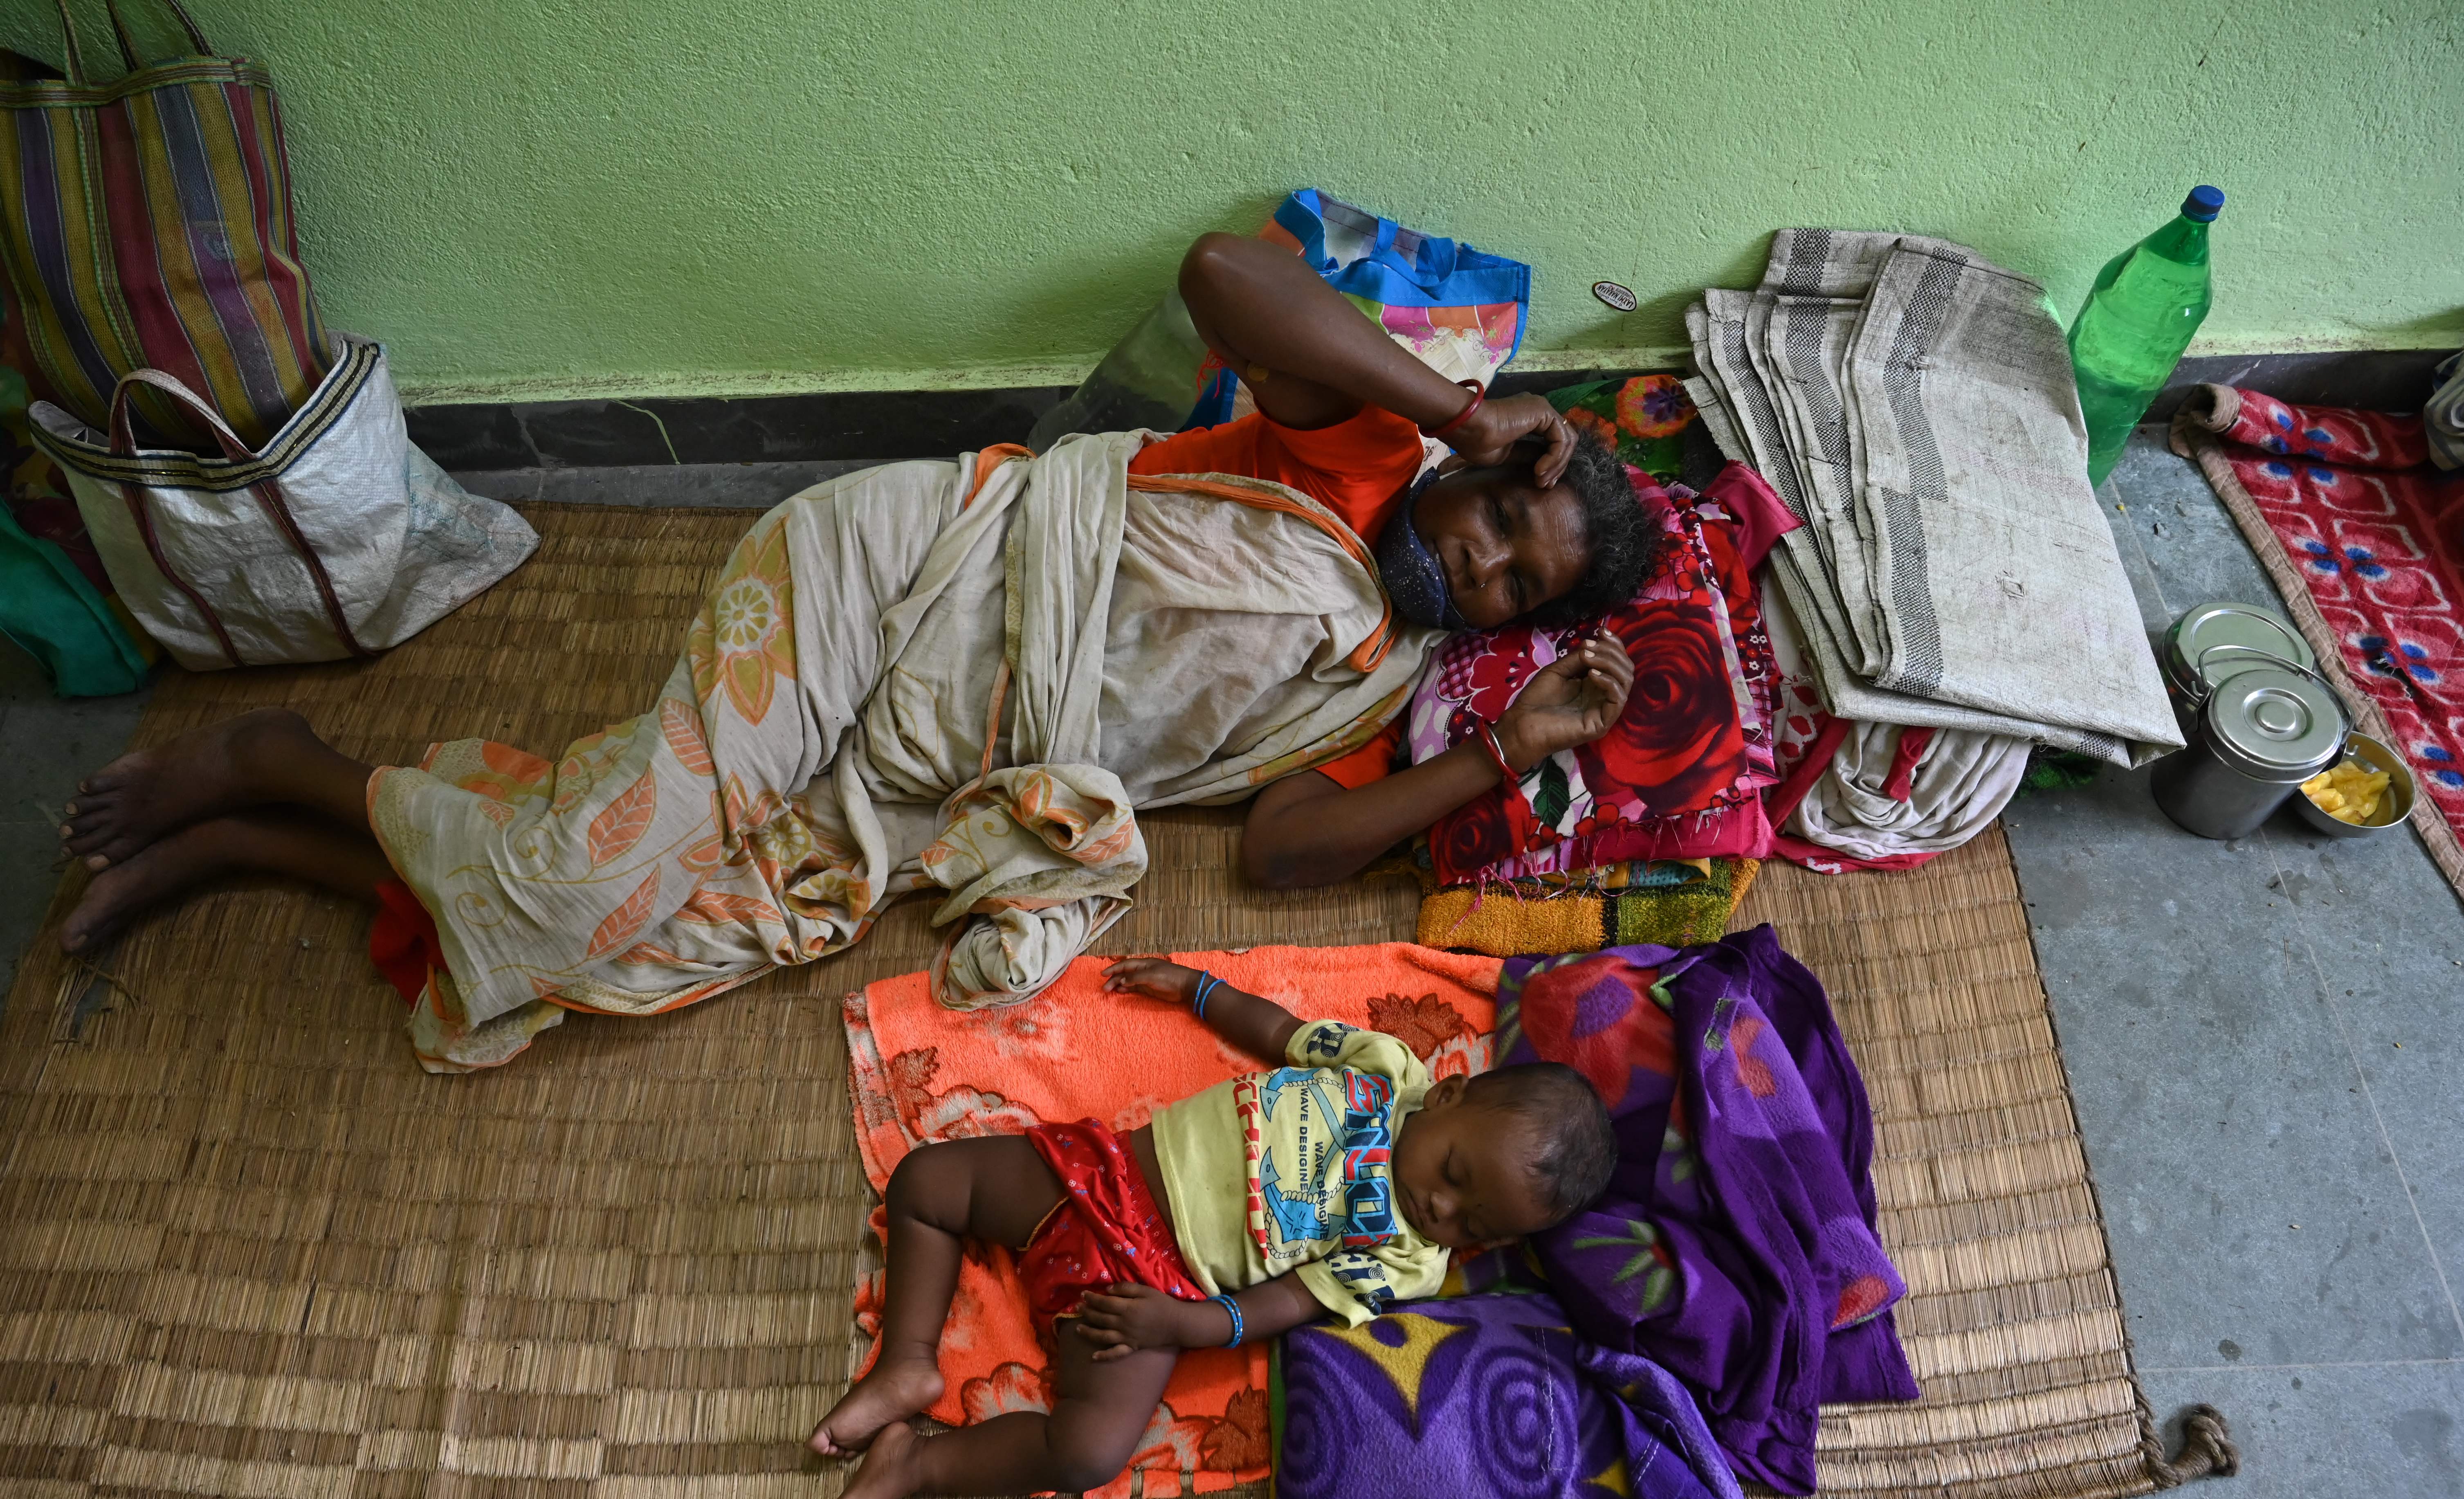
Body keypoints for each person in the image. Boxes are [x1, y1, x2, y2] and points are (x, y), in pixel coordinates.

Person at [54, 232, 1649, 1069]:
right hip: (888, 584)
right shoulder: (1370, 444)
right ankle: (281, 763)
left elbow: (1290, 852)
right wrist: (1454, 408)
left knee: (632, 959)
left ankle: (268, 829)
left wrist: (1502, 752)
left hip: (923, 783)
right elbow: (1224, 277)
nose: (1486, 559)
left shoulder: (1387, 693)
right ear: (1502, 468)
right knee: (580, 883)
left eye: (1520, 586)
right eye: (1508, 518)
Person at [806, 953, 1618, 1499]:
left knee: (1089, 1450)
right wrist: (1200, 990)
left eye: (1470, 1221)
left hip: (1154, 1284)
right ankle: (907, 1363)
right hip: (1101, 1173)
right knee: (925, 1180)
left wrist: (1186, 1323)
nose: (1442, 1206)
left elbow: (1296, 1297)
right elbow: (1284, 1034)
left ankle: (917, 1464)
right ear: (1444, 1096)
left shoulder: (1409, 1257)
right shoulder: (1384, 1067)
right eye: (1453, 1173)